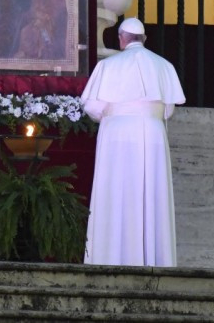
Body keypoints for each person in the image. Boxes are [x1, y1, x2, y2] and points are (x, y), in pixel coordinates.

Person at [80, 17, 185, 266]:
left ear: (121, 39)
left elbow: (92, 107)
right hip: (153, 133)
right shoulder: (164, 66)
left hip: (117, 136)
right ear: (144, 39)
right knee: (152, 195)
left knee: (117, 194)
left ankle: (111, 258)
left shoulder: (108, 65)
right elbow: (168, 110)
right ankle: (154, 261)